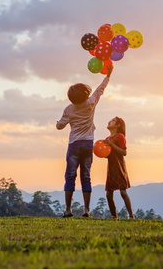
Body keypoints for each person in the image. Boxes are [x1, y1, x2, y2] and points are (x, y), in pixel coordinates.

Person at [56, 65, 113, 217]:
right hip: (88, 144)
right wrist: (108, 75)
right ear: (86, 94)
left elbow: (60, 126)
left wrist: (58, 123)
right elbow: (101, 89)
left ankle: (68, 210)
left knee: (70, 176)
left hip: (74, 145)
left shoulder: (69, 109)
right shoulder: (91, 103)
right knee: (86, 176)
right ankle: (86, 210)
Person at [104, 116, 134, 219]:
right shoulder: (107, 139)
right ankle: (114, 217)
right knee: (109, 194)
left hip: (119, 166)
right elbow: (107, 154)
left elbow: (124, 152)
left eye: (112, 121)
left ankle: (131, 215)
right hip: (111, 167)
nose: (109, 121)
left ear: (117, 125)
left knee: (123, 192)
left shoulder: (120, 136)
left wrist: (111, 145)